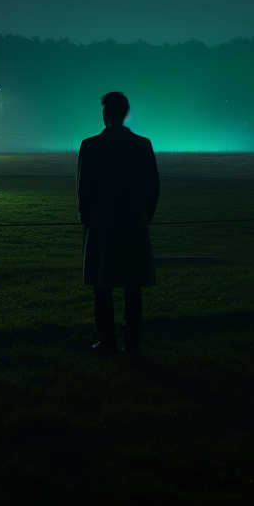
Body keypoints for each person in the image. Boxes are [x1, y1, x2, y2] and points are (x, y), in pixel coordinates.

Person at [77, 91, 160, 356]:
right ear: (125, 114)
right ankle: (131, 343)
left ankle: (107, 341)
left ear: (105, 115)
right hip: (134, 224)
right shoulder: (142, 145)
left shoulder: (90, 146)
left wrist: (87, 220)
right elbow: (153, 187)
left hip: (102, 225)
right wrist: (143, 218)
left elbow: (84, 191)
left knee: (102, 286)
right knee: (132, 286)